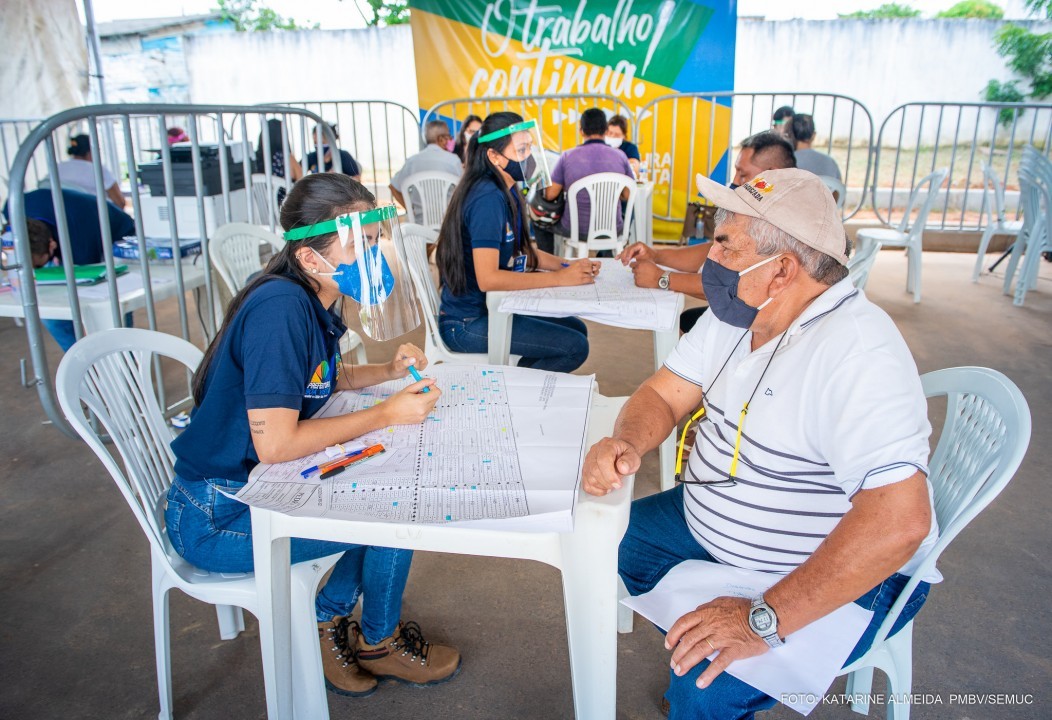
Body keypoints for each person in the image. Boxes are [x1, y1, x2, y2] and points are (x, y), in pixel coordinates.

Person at [583, 169, 938, 720]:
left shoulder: (858, 353)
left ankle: (706, 667)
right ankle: (695, 629)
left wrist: (761, 619)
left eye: (726, 245)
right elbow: (662, 395)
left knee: (703, 687)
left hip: (846, 570)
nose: (710, 258)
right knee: (597, 542)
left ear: (782, 270)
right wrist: (626, 440)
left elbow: (899, 523)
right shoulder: (741, 313)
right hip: (714, 523)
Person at [164, 173, 462, 698]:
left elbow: (320, 378)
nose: (374, 255)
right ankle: (366, 636)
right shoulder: (279, 310)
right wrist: (386, 414)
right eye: (359, 244)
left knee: (389, 490)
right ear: (309, 257)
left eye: (376, 241)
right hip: (219, 516)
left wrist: (388, 371)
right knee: (395, 515)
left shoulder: (310, 297)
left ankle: (330, 618)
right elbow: (276, 444)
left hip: (258, 485)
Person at [435, 111, 597, 373]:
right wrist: (559, 279)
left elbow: (523, 251)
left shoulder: (506, 189)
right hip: (466, 323)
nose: (529, 157)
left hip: (493, 306)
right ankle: (514, 384)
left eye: (530, 147)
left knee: (576, 328)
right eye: (521, 150)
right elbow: (488, 278)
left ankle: (518, 378)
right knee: (575, 346)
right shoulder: (487, 198)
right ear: (494, 156)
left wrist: (568, 265)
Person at [619, 131, 796, 333]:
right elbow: (715, 252)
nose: (735, 181)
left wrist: (662, 278)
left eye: (743, 174)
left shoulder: (781, 225)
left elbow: (730, 285)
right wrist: (656, 255)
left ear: (771, 175)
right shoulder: (762, 211)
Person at [5, 187, 136, 350]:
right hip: (67, 220)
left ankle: (122, 357)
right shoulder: (11, 208)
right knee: (50, 313)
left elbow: (88, 282)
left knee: (110, 305)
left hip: (116, 231)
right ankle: (81, 359)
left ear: (52, 245)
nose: (38, 269)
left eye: (39, 265)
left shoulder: (80, 246)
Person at [532, 108, 634, 255]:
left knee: (539, 221)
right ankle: (607, 259)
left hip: (576, 230)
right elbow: (627, 195)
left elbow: (550, 195)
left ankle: (548, 263)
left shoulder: (567, 157)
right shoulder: (621, 156)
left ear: (581, 131)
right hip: (612, 228)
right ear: (606, 130)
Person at [389, 120, 463, 224]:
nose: (451, 140)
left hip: (419, 226)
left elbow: (393, 186)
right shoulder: (453, 161)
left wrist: (410, 209)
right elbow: (465, 190)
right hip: (449, 225)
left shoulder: (412, 161)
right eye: (449, 137)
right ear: (441, 139)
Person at [54, 134, 126, 210]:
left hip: (63, 215)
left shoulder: (56, 169)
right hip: (95, 215)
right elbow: (120, 202)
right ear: (92, 151)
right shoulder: (98, 170)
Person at [791, 113, 843, 182]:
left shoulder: (785, 163)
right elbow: (838, 187)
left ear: (790, 135)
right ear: (814, 135)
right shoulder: (830, 163)